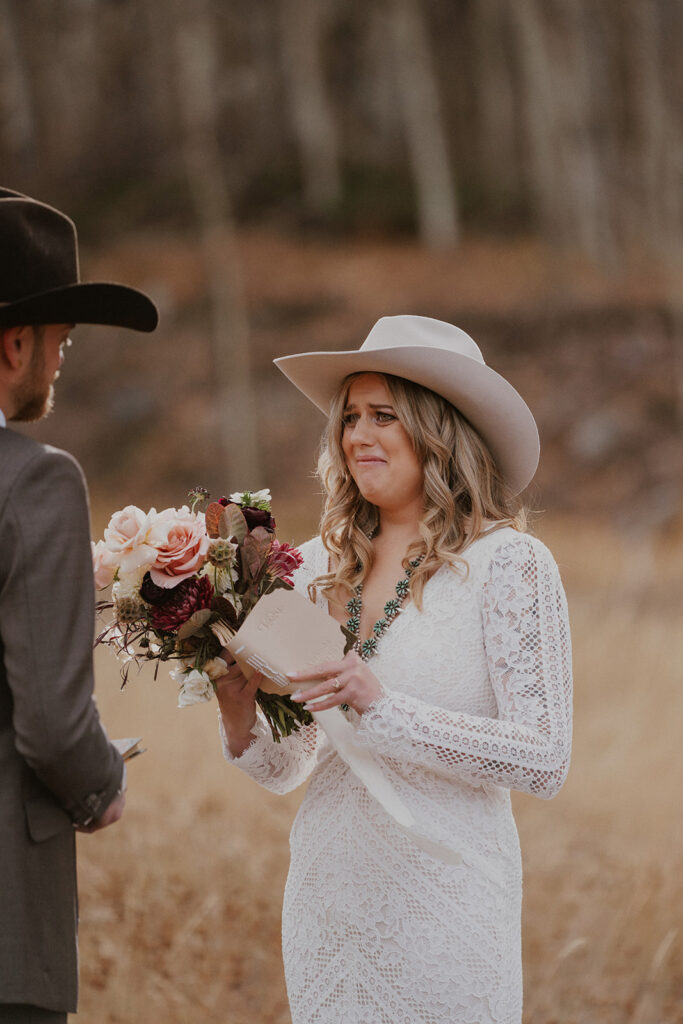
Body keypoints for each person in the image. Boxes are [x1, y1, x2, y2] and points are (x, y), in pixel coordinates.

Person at [215, 315, 572, 1024]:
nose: (357, 435)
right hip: (325, 908)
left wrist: (384, 709)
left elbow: (544, 758)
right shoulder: (313, 567)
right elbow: (293, 765)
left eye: (384, 416)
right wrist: (236, 709)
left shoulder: (507, 565)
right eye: (349, 416)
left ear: (438, 430)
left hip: (446, 913)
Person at [0, 187, 158, 1023]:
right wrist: (102, 786)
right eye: (60, 340)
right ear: (16, 341)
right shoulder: (34, 480)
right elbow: (55, 725)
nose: (61, 362)